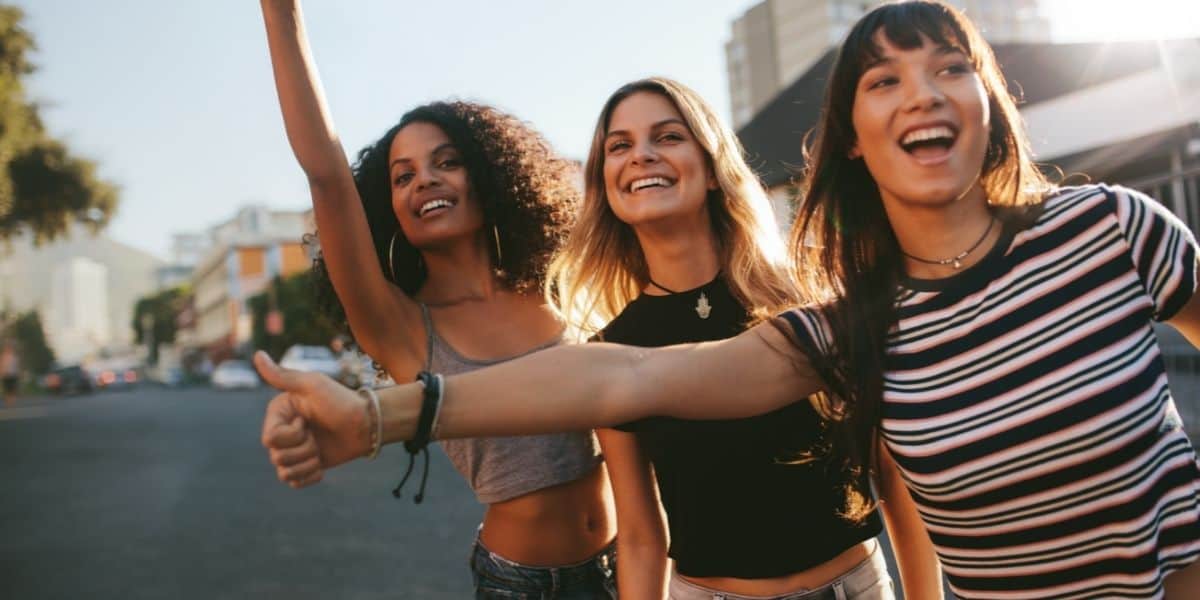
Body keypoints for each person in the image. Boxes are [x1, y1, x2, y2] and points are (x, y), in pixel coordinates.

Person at [256, 1, 1200, 598]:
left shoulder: (1099, 231)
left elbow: (889, 483)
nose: (925, 94)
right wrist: (384, 413)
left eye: (951, 66)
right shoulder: (834, 327)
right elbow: (619, 381)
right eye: (885, 79)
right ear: (855, 142)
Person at [259, 1, 616, 597]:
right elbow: (325, 172)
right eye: (403, 175)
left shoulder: (560, 284)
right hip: (523, 585)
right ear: (390, 207)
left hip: (628, 559)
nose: (424, 179)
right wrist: (281, 13)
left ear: (491, 177)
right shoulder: (401, 324)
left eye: (446, 162)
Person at [545, 76, 936, 599]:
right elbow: (640, 535)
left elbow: (893, 475)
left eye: (667, 137)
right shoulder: (612, 354)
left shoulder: (808, 302)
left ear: (710, 169)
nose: (641, 156)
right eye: (620, 146)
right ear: (606, 184)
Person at [1, 339, 19, 406]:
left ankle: (11, 400)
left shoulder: (14, 357)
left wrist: (17, 373)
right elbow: (1, 365)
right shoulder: (3, 356)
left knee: (12, 387)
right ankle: (8, 400)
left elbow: (16, 366)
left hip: (13, 374)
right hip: (6, 375)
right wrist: (1, 372)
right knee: (6, 387)